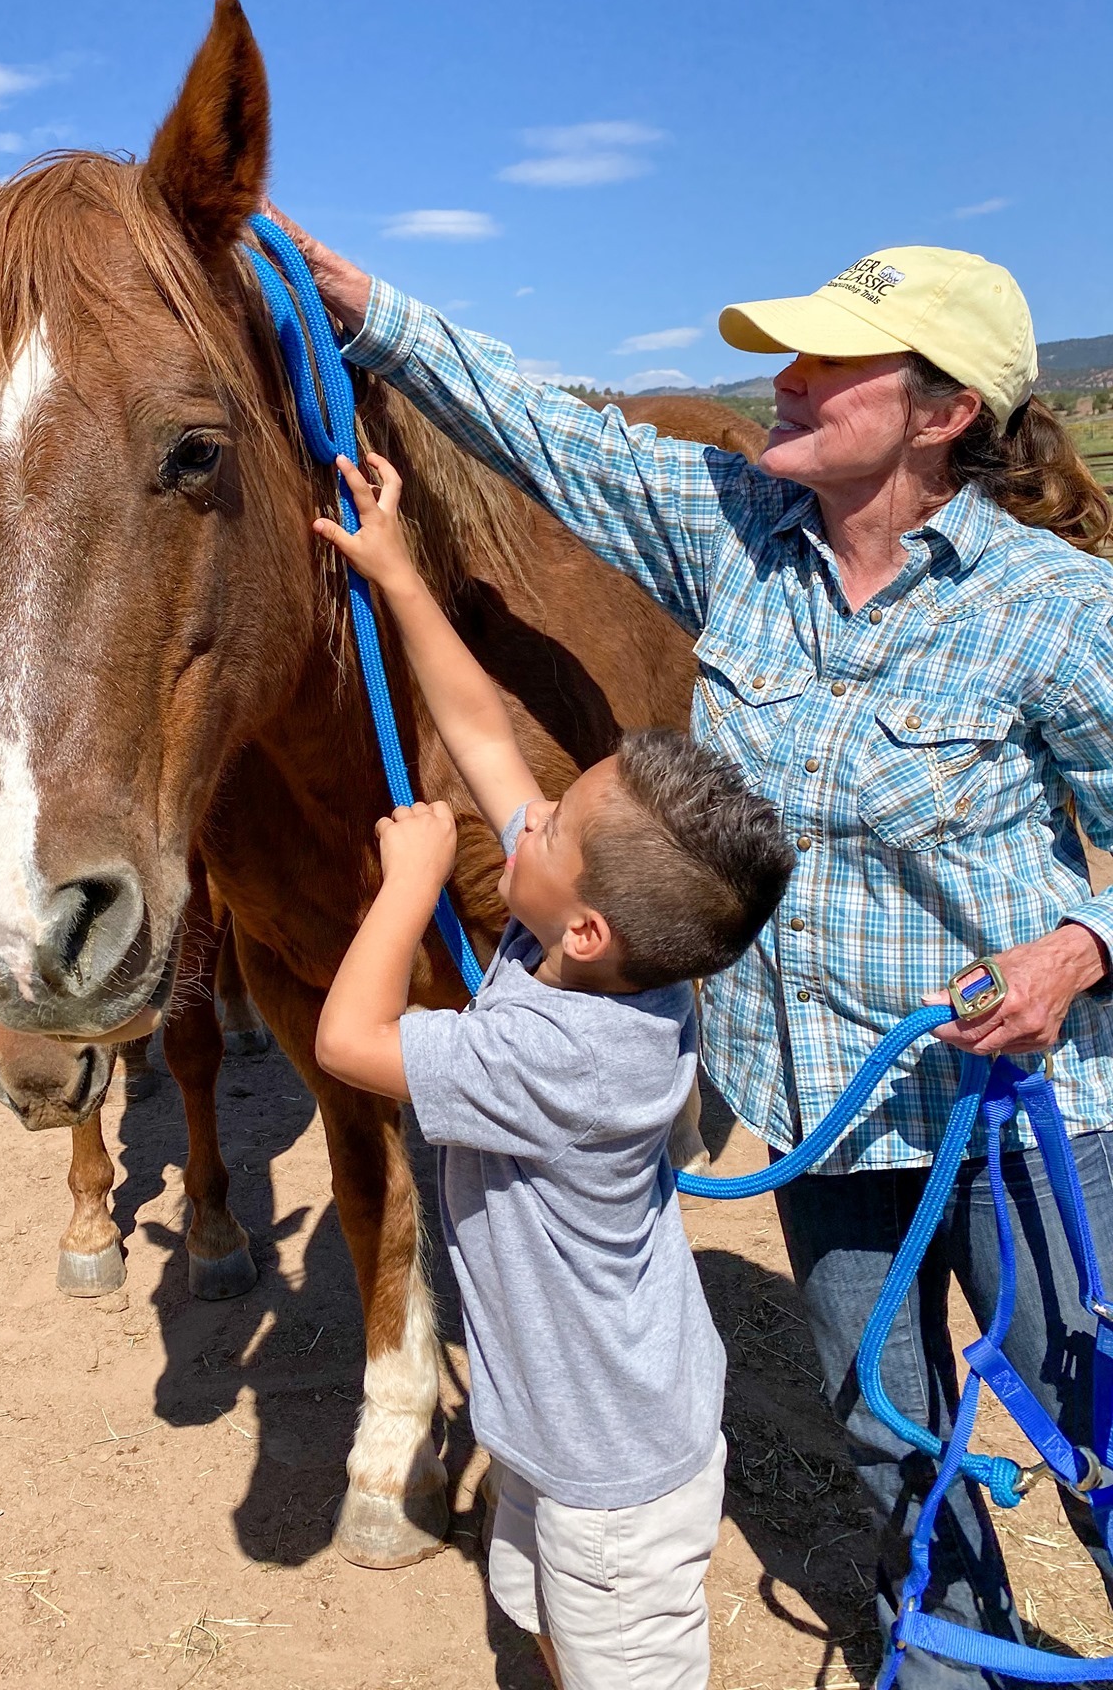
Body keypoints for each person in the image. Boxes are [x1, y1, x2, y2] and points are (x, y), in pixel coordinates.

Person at [273, 214, 1113, 1681]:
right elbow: (538, 426)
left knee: (1091, 1416)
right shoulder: (735, 532)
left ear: (945, 413)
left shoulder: (1051, 613)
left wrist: (1077, 951)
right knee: (879, 1430)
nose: (782, 382)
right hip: (819, 1115)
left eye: (826, 369)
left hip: (1011, 1116)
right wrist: (365, 309)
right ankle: (950, 1656)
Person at [312, 449, 793, 1690]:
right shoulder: (611, 955)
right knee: (544, 1626)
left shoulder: (551, 1051)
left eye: (556, 824)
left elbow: (347, 1043)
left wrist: (411, 881)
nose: (527, 816)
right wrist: (397, 573)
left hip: (613, 1477)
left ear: (582, 924)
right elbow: (477, 730)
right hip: (560, 1426)